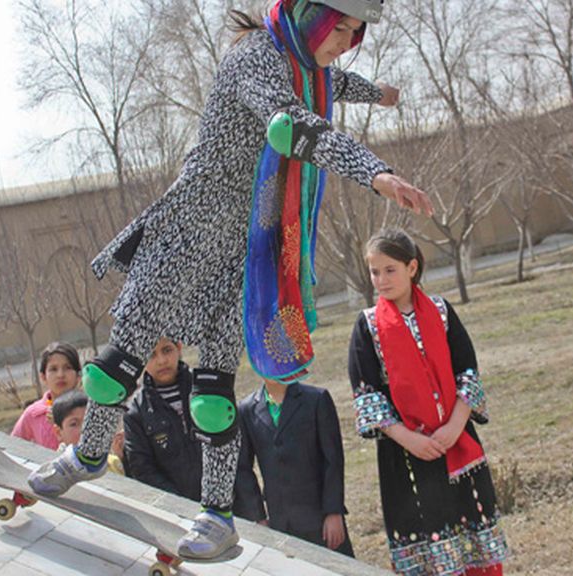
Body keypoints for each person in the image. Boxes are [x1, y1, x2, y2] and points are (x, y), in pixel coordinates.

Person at [26, 0, 433, 561]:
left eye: (356, 34)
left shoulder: (304, 68)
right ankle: (89, 453)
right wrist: (375, 172)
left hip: (245, 251)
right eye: (340, 28)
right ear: (308, 16)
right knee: (118, 362)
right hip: (186, 231)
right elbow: (292, 125)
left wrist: (376, 92)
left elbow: (329, 82)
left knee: (214, 395)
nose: (346, 41)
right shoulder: (253, 59)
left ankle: (218, 516)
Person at [347, 229, 508, 575]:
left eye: (390, 269)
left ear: (412, 267)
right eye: (375, 272)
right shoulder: (368, 326)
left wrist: (453, 426)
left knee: (471, 536)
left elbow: (467, 371)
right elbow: (368, 394)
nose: (381, 279)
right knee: (423, 533)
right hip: (405, 454)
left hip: (456, 441)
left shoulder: (441, 311)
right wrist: (411, 439)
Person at [233, 379, 353, 556]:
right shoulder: (246, 409)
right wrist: (258, 516)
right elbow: (242, 467)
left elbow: (333, 460)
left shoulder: (316, 399)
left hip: (320, 517)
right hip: (281, 522)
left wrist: (334, 512)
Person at [123, 338, 203, 500]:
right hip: (178, 511)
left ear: (179, 347)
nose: (161, 361)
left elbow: (233, 448)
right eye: (151, 354)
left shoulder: (206, 388)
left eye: (167, 350)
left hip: (225, 504)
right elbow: (143, 470)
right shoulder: (136, 412)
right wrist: (180, 505)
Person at [11, 342, 81, 450]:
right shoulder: (34, 414)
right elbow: (13, 446)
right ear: (43, 377)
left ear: (78, 375)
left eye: (67, 368)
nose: (60, 375)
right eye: (53, 369)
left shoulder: (88, 408)